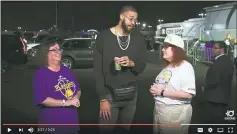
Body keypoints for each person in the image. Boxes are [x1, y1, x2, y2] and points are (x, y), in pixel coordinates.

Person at [93, 5, 146, 134]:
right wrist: (103, 99)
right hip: (109, 96)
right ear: (122, 16)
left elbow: (142, 65)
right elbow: (97, 71)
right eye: (131, 19)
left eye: (135, 20)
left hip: (131, 97)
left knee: (124, 131)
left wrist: (131, 63)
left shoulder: (138, 38)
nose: (133, 23)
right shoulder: (103, 37)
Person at [150, 34, 196, 134]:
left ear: (176, 49)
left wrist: (161, 92)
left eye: (166, 47)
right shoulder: (168, 66)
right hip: (159, 111)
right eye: (163, 46)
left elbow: (188, 94)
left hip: (174, 113)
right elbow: (165, 85)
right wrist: (155, 89)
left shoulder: (185, 66)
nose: (163, 49)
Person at [33, 43, 81, 134]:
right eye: (54, 49)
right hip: (52, 125)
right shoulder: (41, 74)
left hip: (72, 124)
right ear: (46, 53)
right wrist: (65, 102)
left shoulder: (66, 70)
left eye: (59, 49)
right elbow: (42, 99)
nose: (58, 52)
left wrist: (76, 97)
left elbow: (78, 89)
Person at [199, 41, 234, 124]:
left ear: (221, 50)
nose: (212, 50)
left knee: (212, 122)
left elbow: (214, 80)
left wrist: (204, 86)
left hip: (214, 99)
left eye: (215, 48)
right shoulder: (229, 62)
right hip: (224, 97)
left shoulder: (218, 63)